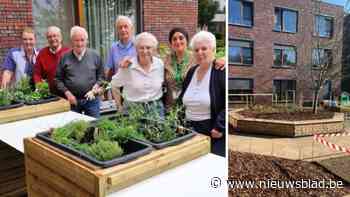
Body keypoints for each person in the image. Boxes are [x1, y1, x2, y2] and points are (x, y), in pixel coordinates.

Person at [179, 31, 226, 157]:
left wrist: (220, 126)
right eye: (196, 50)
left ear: (213, 50)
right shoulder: (191, 72)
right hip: (188, 129)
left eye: (204, 48)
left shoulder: (221, 71)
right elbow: (182, 99)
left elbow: (227, 103)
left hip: (211, 130)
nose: (200, 53)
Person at [163, 27, 225, 109]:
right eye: (174, 39)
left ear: (187, 41)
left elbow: (211, 60)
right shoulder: (165, 59)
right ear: (171, 43)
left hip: (192, 105)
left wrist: (225, 59)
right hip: (170, 106)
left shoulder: (197, 56)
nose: (178, 41)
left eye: (181, 38)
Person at [111, 32, 165, 118]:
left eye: (148, 47)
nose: (145, 51)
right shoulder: (128, 66)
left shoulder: (160, 64)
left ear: (154, 49)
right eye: (141, 48)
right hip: (132, 110)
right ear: (136, 49)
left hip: (156, 109)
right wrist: (119, 106)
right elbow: (114, 85)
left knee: (159, 131)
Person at [55, 26, 104, 118]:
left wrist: (94, 90)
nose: (79, 43)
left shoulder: (95, 56)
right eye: (76, 40)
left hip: (92, 101)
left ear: (87, 41)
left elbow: (101, 77)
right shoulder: (64, 58)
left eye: (82, 40)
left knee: (94, 127)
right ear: (71, 41)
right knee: (74, 129)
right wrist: (68, 93)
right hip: (72, 100)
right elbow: (58, 79)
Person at [33, 26, 70, 96]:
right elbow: (37, 73)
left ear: (61, 37)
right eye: (49, 37)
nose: (52, 39)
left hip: (68, 94)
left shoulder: (69, 53)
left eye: (55, 36)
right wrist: (40, 86)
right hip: (51, 95)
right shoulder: (42, 54)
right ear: (47, 39)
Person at [105, 15, 136, 80]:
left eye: (125, 26)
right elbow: (109, 70)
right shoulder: (113, 48)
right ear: (117, 31)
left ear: (132, 28)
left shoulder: (138, 45)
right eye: (120, 27)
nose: (123, 29)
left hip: (136, 85)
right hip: (119, 85)